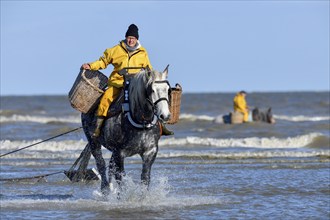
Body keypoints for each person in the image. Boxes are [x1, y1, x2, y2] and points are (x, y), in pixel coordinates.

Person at [81, 24, 173, 137]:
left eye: (133, 38)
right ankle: (98, 128)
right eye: (129, 38)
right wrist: (90, 66)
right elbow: (102, 62)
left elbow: (149, 69)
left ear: (137, 39)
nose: (131, 41)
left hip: (136, 85)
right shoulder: (115, 50)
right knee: (105, 99)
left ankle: (161, 126)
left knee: (151, 101)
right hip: (118, 83)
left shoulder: (143, 52)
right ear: (126, 37)